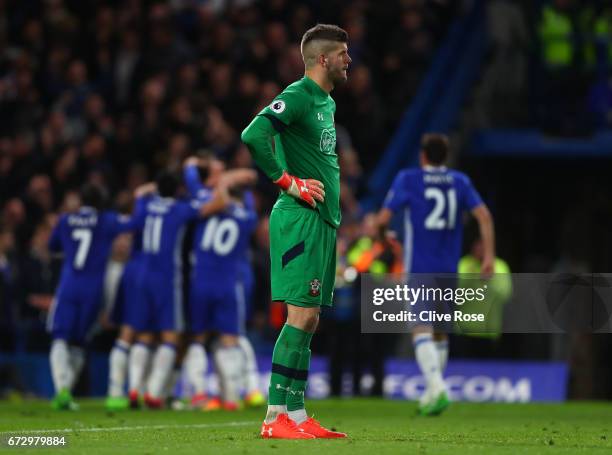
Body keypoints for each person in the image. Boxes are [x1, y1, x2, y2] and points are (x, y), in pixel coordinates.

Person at [241, 23, 351, 439]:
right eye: (342, 54)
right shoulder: (299, 95)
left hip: (322, 220)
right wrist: (289, 182)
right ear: (323, 59)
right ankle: (273, 417)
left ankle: (298, 415)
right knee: (299, 315)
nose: (348, 61)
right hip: (299, 217)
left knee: (311, 319)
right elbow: (253, 135)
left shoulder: (325, 102)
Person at [377, 133, 495, 416]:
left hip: (419, 267)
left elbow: (382, 219)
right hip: (448, 269)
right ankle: (433, 394)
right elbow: (484, 216)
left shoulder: (408, 179)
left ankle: (436, 386)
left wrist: (385, 237)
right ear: (446, 156)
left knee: (421, 328)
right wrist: (489, 257)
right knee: (440, 332)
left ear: (423, 156)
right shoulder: (460, 181)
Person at [47, 183, 150, 410]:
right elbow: (136, 223)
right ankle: (65, 392)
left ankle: (61, 390)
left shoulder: (65, 220)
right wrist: (140, 199)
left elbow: (52, 245)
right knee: (80, 342)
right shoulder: (107, 220)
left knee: (60, 336)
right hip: (93, 290)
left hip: (68, 285)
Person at [182, 156, 261, 410]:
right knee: (230, 339)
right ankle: (231, 397)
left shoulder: (206, 201)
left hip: (201, 281)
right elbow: (248, 182)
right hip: (228, 283)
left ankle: (198, 394)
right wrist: (231, 179)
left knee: (198, 337)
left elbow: (190, 173)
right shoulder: (247, 216)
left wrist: (212, 174)